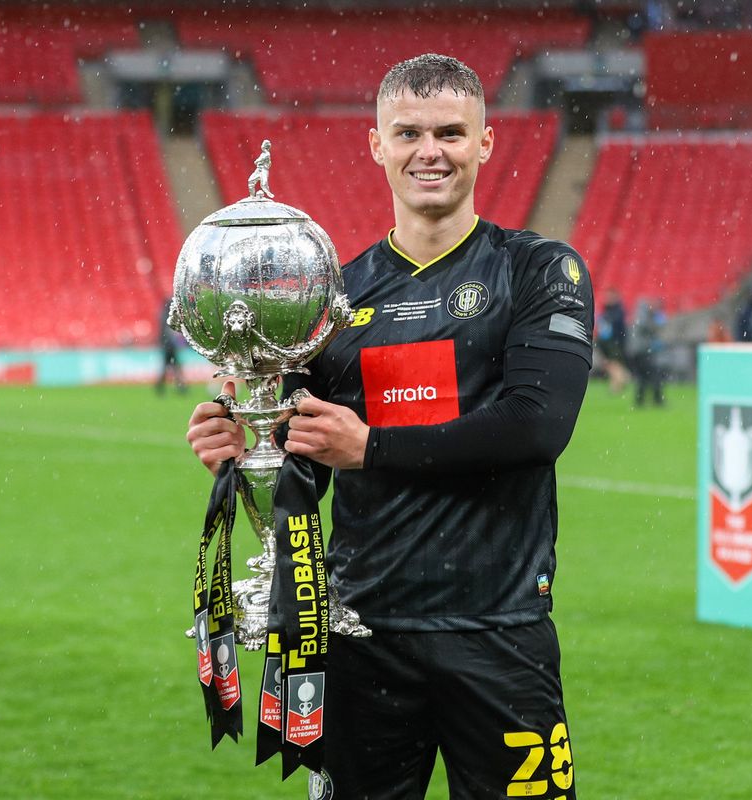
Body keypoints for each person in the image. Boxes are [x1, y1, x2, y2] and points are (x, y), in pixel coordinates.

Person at [186, 54, 592, 799]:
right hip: (358, 635)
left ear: (485, 142)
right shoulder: (333, 299)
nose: (429, 151)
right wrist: (246, 451)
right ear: (377, 145)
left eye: (450, 132)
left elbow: (536, 427)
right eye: (407, 132)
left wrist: (371, 446)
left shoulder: (538, 271)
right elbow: (303, 461)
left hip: (496, 631)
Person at [595, 287, 631, 394]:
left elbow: (616, 328)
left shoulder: (618, 310)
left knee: (613, 363)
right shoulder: (608, 310)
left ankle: (619, 383)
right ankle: (619, 382)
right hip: (607, 342)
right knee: (612, 364)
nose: (607, 298)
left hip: (614, 342)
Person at [156, 297, 186, 395]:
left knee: (169, 367)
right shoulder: (168, 317)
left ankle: (161, 387)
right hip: (169, 346)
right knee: (175, 367)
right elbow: (169, 332)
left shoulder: (163, 316)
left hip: (166, 346)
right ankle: (180, 387)